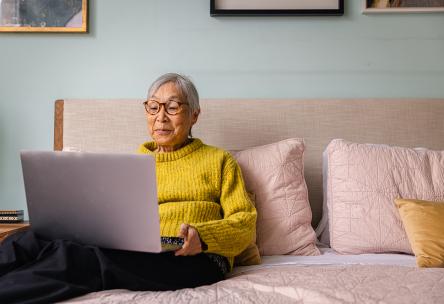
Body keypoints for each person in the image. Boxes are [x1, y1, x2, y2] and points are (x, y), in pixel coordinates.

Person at [0, 73, 257, 303]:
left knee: (74, 257)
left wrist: (202, 237)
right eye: (153, 107)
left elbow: (245, 223)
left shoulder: (219, 161)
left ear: (194, 115)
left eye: (173, 107)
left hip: (191, 256)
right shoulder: (133, 162)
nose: (161, 117)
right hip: (133, 246)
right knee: (26, 239)